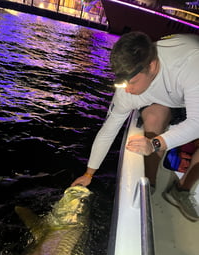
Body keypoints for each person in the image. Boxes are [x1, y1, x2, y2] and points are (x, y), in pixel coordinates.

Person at [71, 31, 199, 221]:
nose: (128, 90)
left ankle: (182, 189)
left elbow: (197, 124)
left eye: (132, 83)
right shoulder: (127, 89)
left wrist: (155, 143)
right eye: (122, 84)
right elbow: (108, 130)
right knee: (154, 118)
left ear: (152, 66)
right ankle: (150, 184)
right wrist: (89, 173)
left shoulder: (191, 63)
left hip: (190, 82)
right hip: (167, 97)